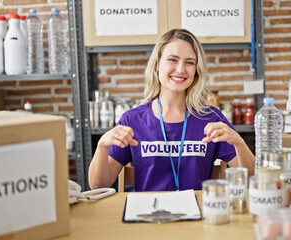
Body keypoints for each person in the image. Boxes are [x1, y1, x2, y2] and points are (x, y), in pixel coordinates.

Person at [89, 28, 255, 191]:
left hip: (199, 214)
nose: (181, 69)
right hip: (147, 214)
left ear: (196, 70)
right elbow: (98, 185)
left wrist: (239, 142)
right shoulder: (132, 120)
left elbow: (251, 178)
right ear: (156, 64)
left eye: (189, 62)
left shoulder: (211, 118)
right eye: (173, 60)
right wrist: (102, 146)